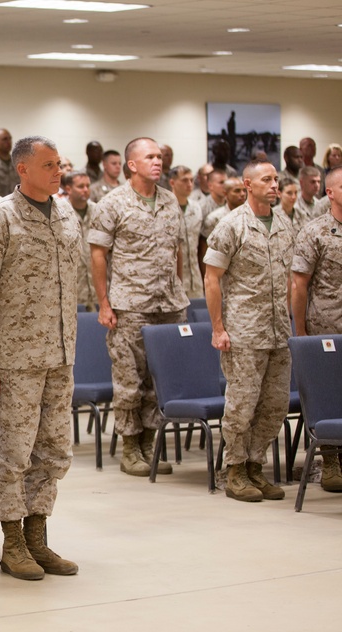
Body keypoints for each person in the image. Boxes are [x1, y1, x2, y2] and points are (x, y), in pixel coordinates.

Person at [0, 135, 80, 580]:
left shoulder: (67, 212)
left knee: (53, 450)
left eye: (59, 164)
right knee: (13, 451)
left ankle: (38, 536)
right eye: (49, 164)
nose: (58, 171)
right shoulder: (0, 217)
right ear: (23, 169)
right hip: (15, 356)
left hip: (60, 352)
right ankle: (12, 540)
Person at [88, 137, 189, 477]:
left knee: (159, 380)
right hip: (130, 304)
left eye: (160, 156)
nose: (158, 162)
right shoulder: (112, 203)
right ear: (132, 164)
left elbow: (177, 251)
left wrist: (180, 290)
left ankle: (150, 442)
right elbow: (98, 256)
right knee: (130, 379)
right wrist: (104, 303)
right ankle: (130, 446)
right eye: (150, 157)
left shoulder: (169, 199)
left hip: (168, 303)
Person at [203, 160, 291, 502]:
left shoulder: (283, 221)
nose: (274, 185)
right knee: (241, 405)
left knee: (275, 406)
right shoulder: (231, 225)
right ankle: (234, 470)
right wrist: (217, 328)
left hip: (278, 331)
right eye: (266, 179)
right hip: (244, 331)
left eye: (276, 179)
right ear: (248, 184)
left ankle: (256, 465)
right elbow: (212, 279)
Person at [290, 166, 342, 491]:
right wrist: (301, 333)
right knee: (329, 395)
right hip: (326, 330)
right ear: (331, 192)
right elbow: (299, 285)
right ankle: (331, 460)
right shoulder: (315, 232)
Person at [168, 165, 205, 298]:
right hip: (172, 280)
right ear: (172, 182)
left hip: (195, 280)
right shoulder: (165, 208)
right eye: (184, 180)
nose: (189, 184)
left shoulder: (196, 208)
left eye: (191, 180)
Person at [62, 170, 96, 311]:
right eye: (81, 186)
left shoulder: (98, 211)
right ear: (68, 189)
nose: (86, 190)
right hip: (71, 290)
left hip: (97, 290)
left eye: (88, 186)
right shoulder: (58, 212)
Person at [0, 129, 19, 197]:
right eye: (4, 139)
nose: (8, 142)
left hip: (16, 202)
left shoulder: (17, 161)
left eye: (10, 138)